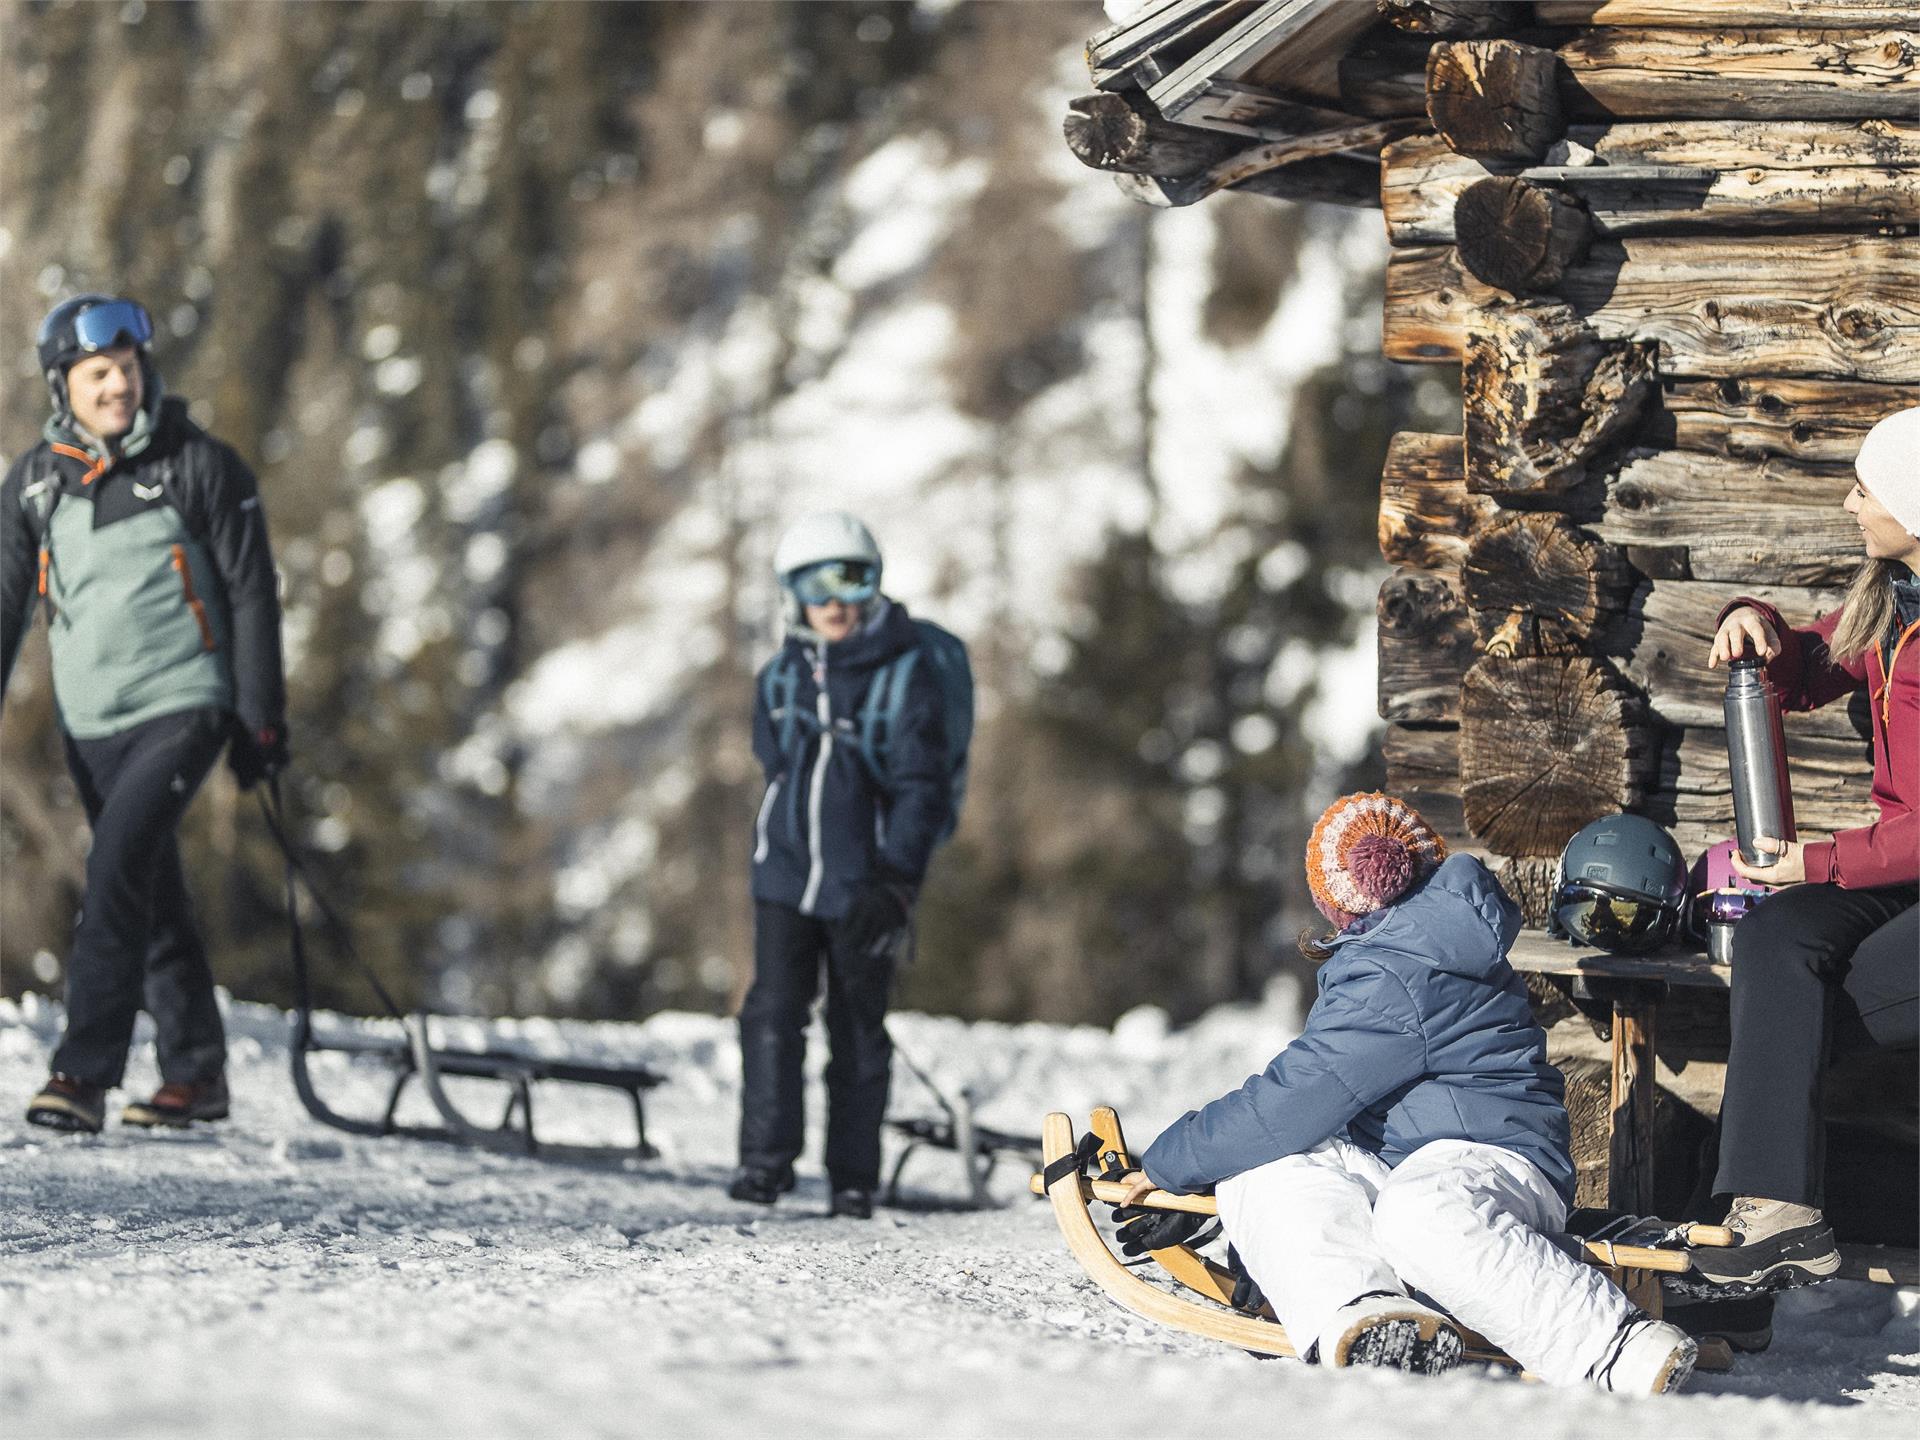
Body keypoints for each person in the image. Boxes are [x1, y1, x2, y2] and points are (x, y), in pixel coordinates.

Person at [1116, 793, 1696, 1393]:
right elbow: (1292, 1123)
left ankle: (1612, 1346)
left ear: (1335, 899)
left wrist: (1171, 1163)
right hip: (1409, 1159)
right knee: (1261, 1169)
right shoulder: (1420, 937)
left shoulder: (1398, 970)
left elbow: (1295, 1098)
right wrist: (1224, 1189)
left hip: (1493, 1164)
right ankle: (1363, 1313)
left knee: (1420, 1212)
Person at [1, 294, 288, 1134]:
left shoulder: (200, 466)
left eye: (126, 369)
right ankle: (196, 1076)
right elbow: (7, 605)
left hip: (183, 702)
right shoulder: (33, 485)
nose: (118, 386)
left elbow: (252, 593)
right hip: (91, 725)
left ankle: (82, 1075)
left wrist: (259, 717)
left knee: (116, 866)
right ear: (66, 385)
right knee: (148, 886)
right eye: (99, 374)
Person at [1692, 405, 1919, 1291]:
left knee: (1821, 992)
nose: (1850, 498)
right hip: (1897, 874)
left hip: (1895, 863)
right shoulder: (1891, 603)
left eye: (1869, 485)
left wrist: (1820, 862)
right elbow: (1817, 662)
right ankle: (1778, 1214)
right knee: (1775, 939)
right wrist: (1758, 624)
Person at [730, 512, 949, 1218]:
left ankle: (852, 1178)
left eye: (851, 579)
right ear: (790, 593)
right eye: (813, 581)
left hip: (865, 884)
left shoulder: (904, 674)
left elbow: (923, 786)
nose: (834, 599)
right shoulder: (780, 675)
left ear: (875, 585)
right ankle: (765, 1164)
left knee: (857, 1026)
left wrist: (895, 880)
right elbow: (776, 763)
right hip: (784, 875)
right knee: (772, 1014)